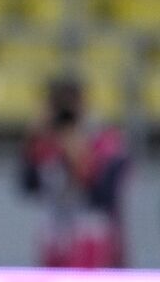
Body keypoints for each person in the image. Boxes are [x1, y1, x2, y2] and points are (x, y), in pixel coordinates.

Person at [21, 77, 129, 268]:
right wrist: (31, 141)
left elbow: (105, 196)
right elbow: (27, 185)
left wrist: (80, 158)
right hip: (55, 237)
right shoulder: (45, 142)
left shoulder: (104, 140)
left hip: (92, 239)